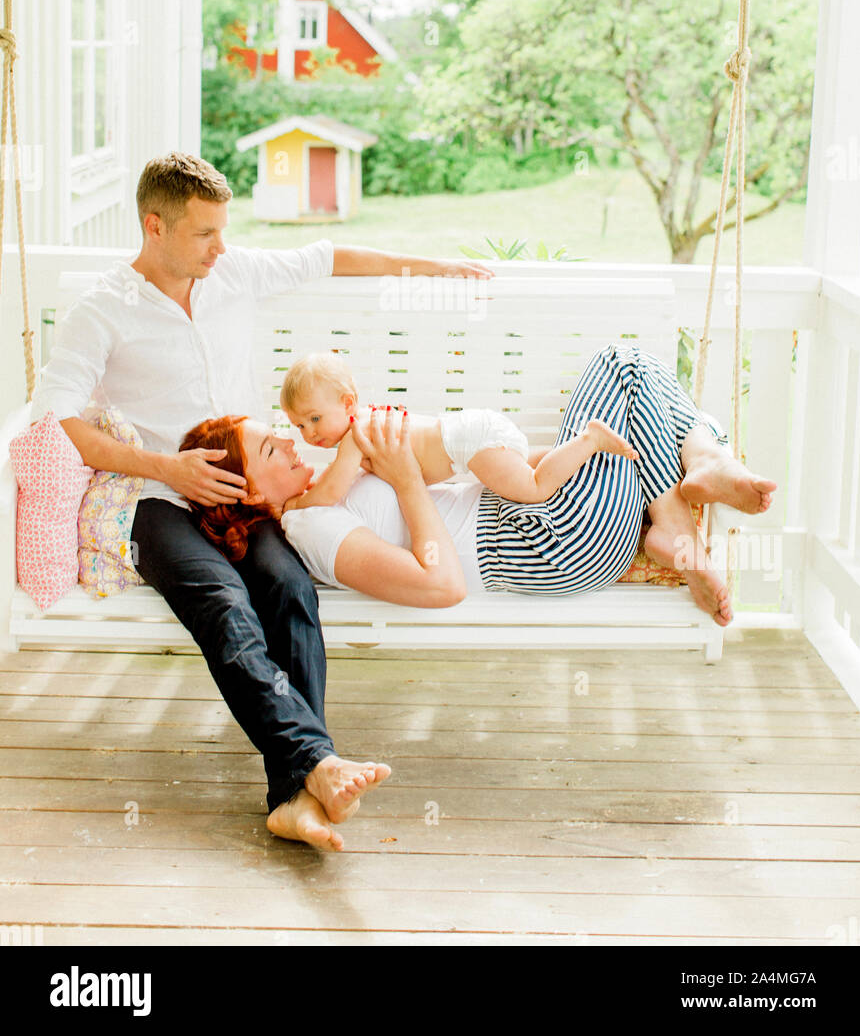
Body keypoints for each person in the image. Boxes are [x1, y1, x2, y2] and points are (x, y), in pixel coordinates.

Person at [29, 152, 492, 852]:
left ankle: (294, 794)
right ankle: (314, 767)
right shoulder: (103, 311)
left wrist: (428, 269)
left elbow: (328, 255)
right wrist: (166, 468)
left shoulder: (234, 272)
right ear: (154, 227)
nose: (222, 248)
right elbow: (56, 420)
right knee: (222, 602)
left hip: (245, 494)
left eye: (224, 231)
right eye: (204, 234)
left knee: (288, 589)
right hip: (158, 496)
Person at [178, 343, 777, 633]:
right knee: (624, 367)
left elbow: (473, 480)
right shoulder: (309, 521)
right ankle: (698, 471)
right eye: (269, 449)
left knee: (639, 400)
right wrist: (410, 481)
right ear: (246, 492)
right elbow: (442, 587)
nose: (289, 441)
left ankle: (677, 509)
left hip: (547, 523)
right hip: (538, 539)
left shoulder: (327, 492)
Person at [277, 350, 639, 510]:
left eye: (314, 419)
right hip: (473, 435)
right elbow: (336, 480)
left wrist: (295, 503)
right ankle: (574, 454)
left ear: (346, 403)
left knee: (534, 488)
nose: (308, 433)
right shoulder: (364, 425)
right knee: (523, 465)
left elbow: (333, 491)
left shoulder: (356, 434)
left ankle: (589, 439)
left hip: (469, 444)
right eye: (299, 426)